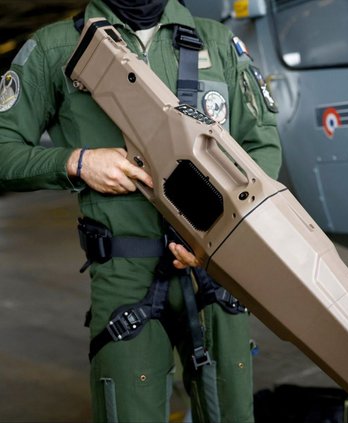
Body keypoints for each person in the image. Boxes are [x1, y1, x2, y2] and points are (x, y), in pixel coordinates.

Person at [0, 0, 282, 422]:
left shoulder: (217, 42)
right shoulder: (57, 48)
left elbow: (261, 146)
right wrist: (76, 162)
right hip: (124, 272)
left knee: (232, 412)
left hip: (214, 266)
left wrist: (226, 234)